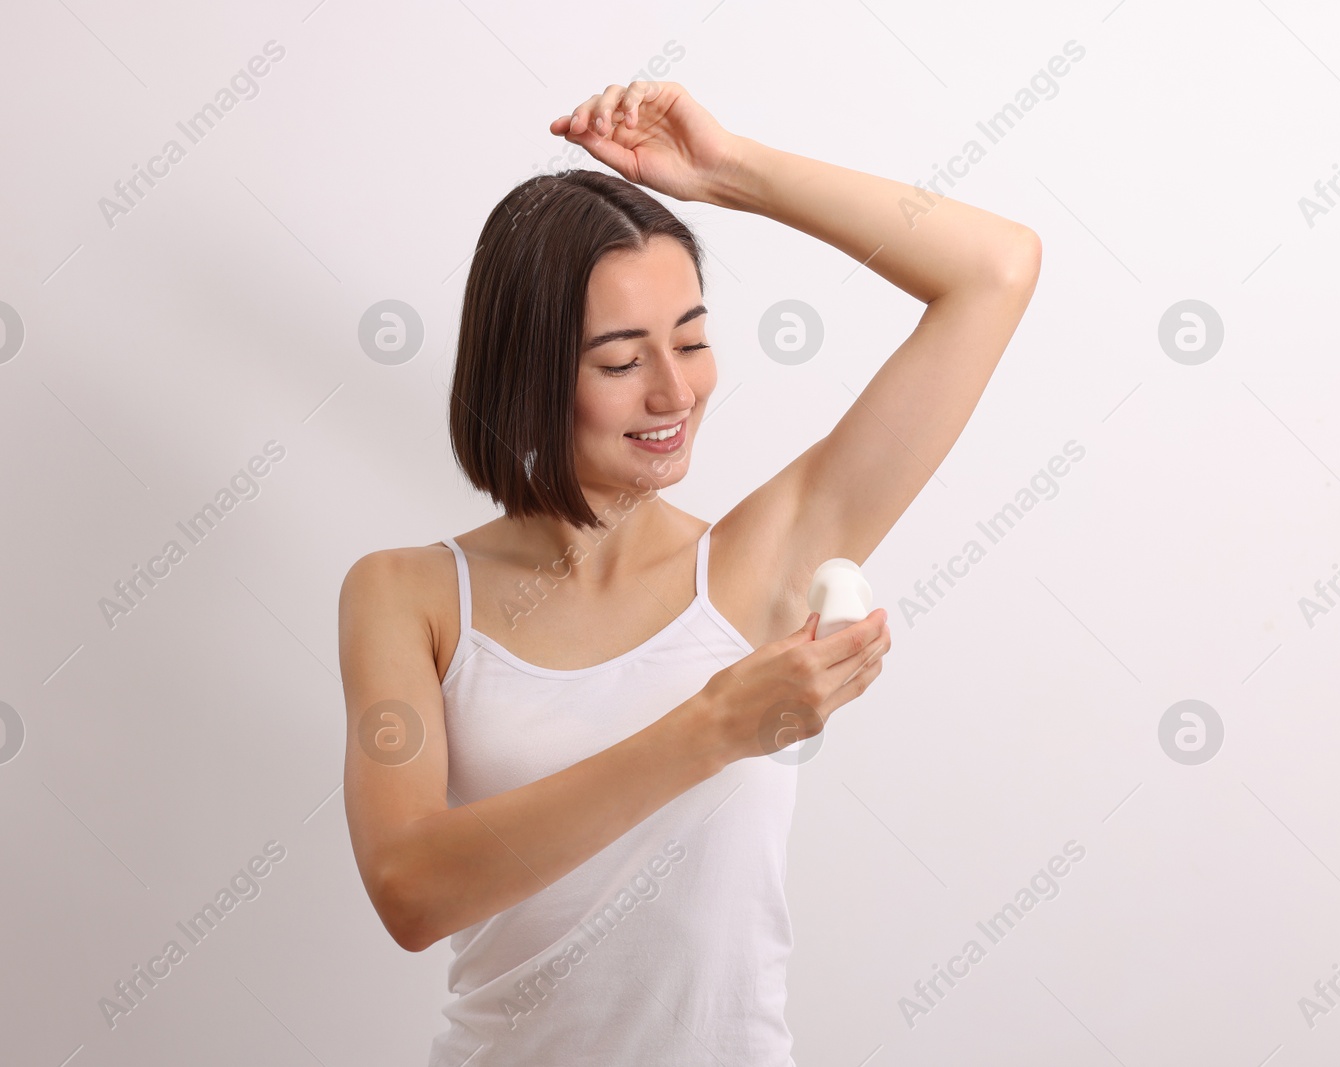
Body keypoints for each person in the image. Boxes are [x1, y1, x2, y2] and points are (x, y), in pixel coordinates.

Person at [338, 79, 1040, 1066]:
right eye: (622, 359)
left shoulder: (763, 561)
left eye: (694, 339)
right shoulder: (404, 594)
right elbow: (410, 888)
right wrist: (713, 727)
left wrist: (730, 171)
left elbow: (997, 270)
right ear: (528, 370)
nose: (675, 391)